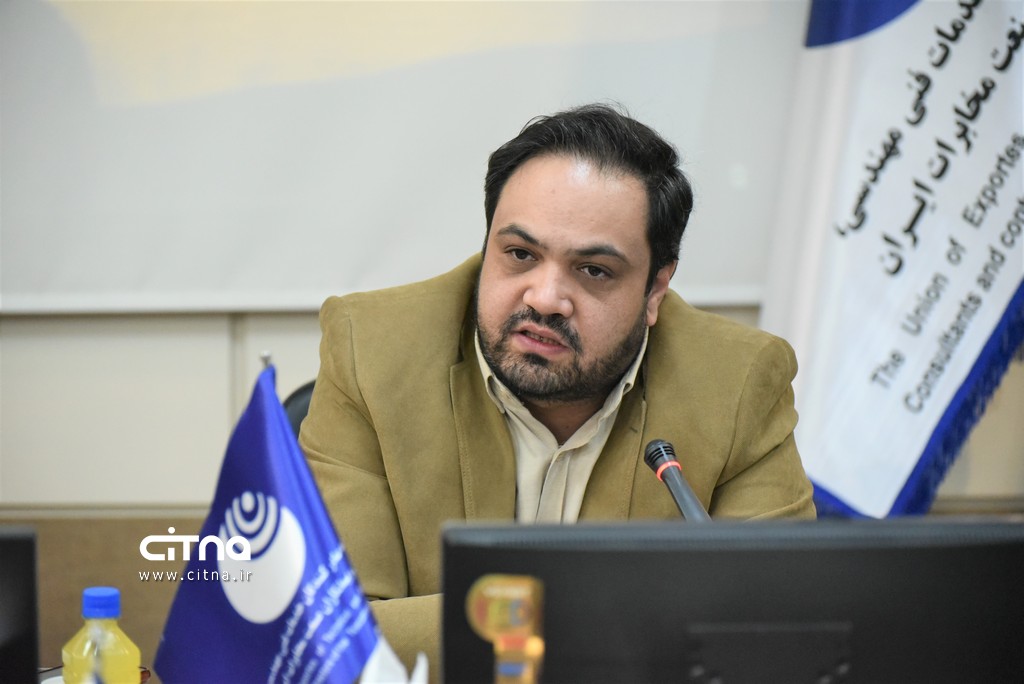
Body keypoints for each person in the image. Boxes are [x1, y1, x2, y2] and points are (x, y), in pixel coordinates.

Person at [300, 103, 816, 679]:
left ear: (655, 291)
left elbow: (779, 634)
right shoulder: (371, 352)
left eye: (593, 270)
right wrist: (569, 615)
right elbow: (329, 635)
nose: (544, 298)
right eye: (520, 255)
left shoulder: (739, 383)